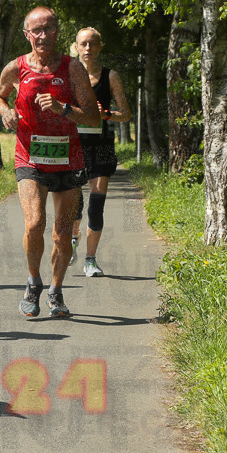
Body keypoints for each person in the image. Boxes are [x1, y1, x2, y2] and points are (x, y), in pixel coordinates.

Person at [0, 7, 100, 319]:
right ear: (27, 35)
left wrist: (64, 109)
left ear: (57, 32)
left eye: (48, 29)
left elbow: (92, 115)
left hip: (68, 157)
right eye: (36, 30)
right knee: (35, 222)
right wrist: (6, 112)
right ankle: (33, 282)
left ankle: (56, 290)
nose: (42, 36)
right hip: (30, 155)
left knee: (62, 233)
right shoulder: (17, 67)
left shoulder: (73, 69)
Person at [68, 27, 132, 277]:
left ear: (100, 47)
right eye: (83, 44)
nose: (88, 49)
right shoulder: (67, 76)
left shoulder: (111, 76)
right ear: (76, 47)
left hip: (102, 146)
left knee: (96, 205)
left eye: (93, 44)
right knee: (75, 204)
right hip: (74, 146)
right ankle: (73, 238)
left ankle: (90, 260)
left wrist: (105, 114)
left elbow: (125, 114)